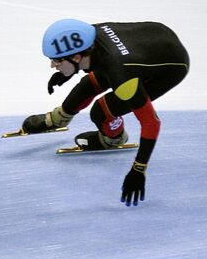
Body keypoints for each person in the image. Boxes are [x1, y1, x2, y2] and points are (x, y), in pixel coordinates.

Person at [20, 18, 190, 205]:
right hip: (150, 41)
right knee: (87, 85)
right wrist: (67, 71)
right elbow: (93, 61)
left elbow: (151, 123)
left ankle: (114, 138)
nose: (53, 65)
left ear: (76, 57)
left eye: (56, 60)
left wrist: (138, 169)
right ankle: (59, 119)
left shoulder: (122, 75)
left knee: (101, 110)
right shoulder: (91, 35)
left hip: (168, 67)